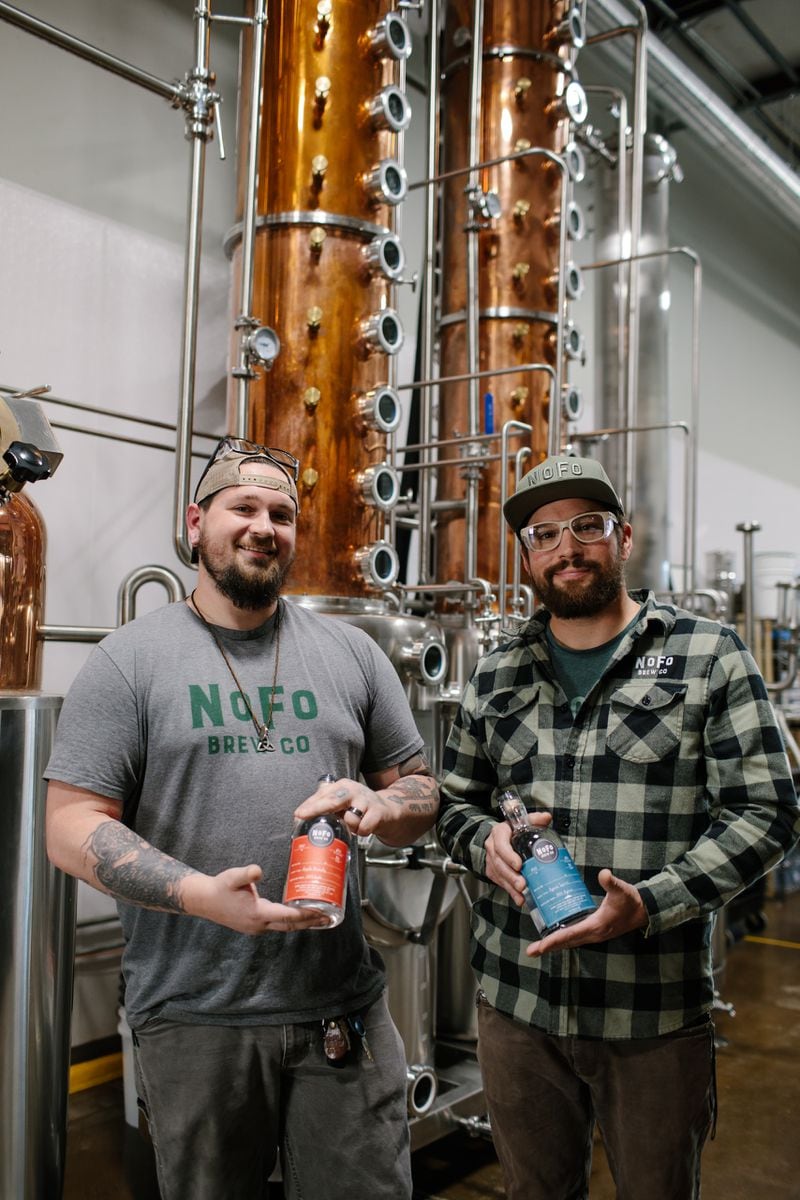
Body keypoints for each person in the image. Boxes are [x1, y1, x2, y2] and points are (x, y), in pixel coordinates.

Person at [45, 437, 439, 1200]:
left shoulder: (352, 655)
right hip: (196, 1017)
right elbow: (69, 825)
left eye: (282, 514)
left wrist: (386, 804)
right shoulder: (129, 660)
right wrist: (197, 894)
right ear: (196, 524)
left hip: (342, 1011)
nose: (265, 526)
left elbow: (420, 790)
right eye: (244, 508)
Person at [436, 453, 799, 1200]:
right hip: (517, 1006)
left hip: (653, 1013)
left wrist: (654, 900)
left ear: (623, 538)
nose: (566, 548)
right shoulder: (498, 671)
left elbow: (768, 811)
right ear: (528, 555)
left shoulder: (706, 655)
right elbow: (453, 805)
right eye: (543, 534)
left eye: (587, 526)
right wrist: (485, 846)